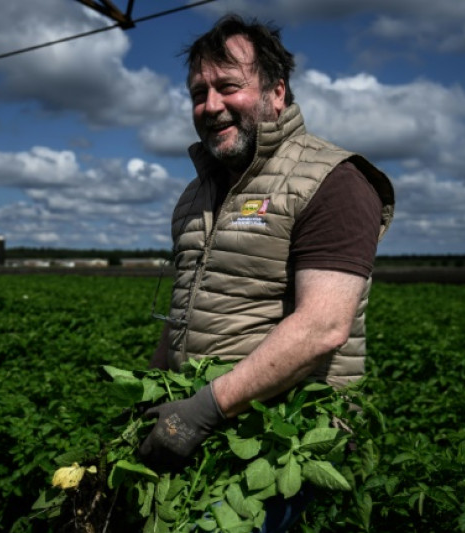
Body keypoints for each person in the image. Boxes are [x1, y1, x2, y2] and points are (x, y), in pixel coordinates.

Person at [138, 13, 396, 531]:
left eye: (228, 86)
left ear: (277, 92)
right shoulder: (198, 193)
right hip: (200, 423)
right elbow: (183, 311)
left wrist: (204, 411)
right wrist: (153, 391)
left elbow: (323, 327)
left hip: (275, 439)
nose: (210, 106)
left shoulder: (332, 179)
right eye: (198, 92)